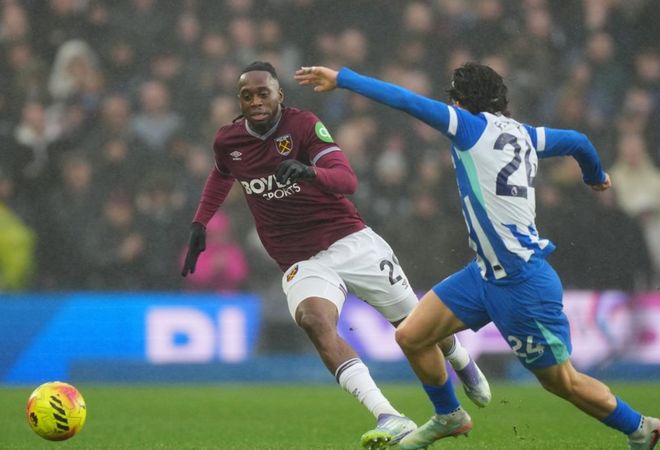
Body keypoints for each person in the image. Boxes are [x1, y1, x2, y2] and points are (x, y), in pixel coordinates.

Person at [295, 63, 660, 450]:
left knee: (562, 381)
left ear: (460, 101)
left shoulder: (468, 127)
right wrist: (595, 175)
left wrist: (343, 79)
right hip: (483, 274)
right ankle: (449, 415)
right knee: (412, 335)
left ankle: (641, 427)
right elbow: (577, 141)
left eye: (452, 98)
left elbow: (405, 100)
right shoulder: (525, 134)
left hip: (522, 284)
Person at [181, 61, 491, 450]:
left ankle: (460, 358)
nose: (256, 101)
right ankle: (388, 415)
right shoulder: (228, 140)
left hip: (350, 241)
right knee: (315, 321)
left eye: (263, 93)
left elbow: (347, 180)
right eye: (247, 96)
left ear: (280, 96)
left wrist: (310, 172)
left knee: (415, 326)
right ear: (239, 101)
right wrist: (200, 222)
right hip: (300, 260)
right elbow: (221, 173)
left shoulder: (303, 125)